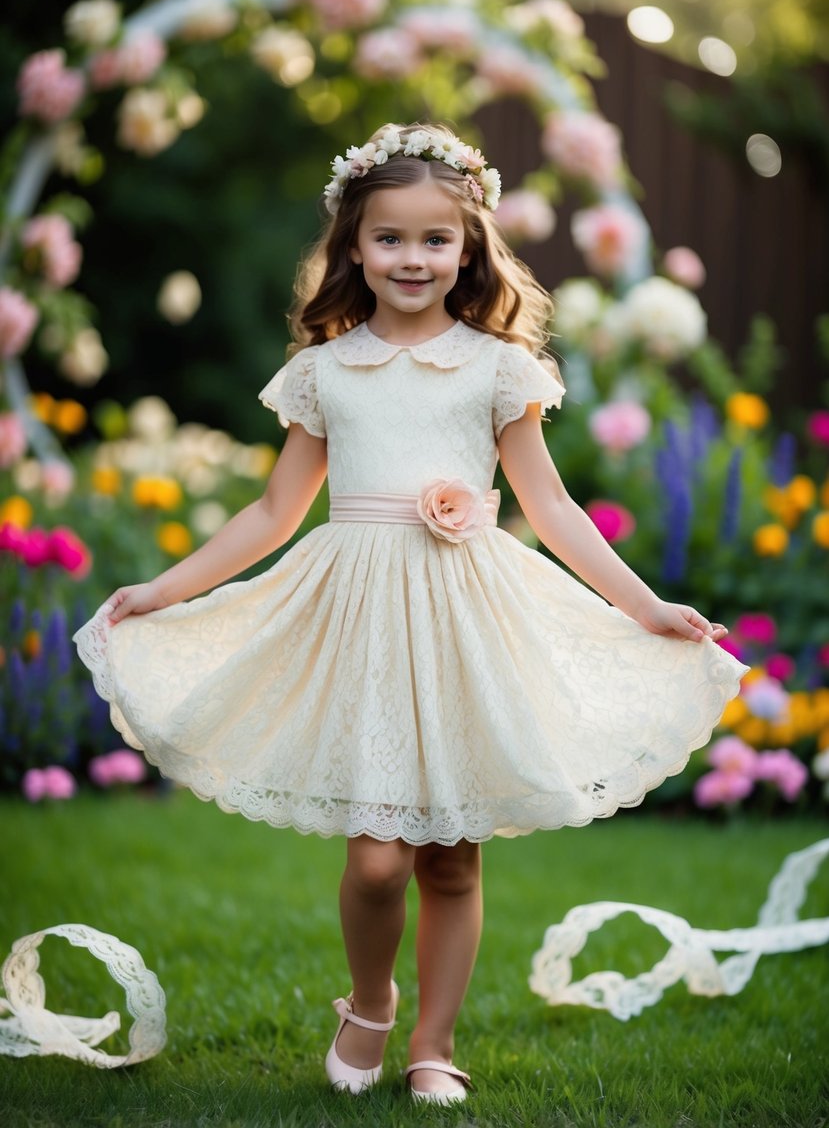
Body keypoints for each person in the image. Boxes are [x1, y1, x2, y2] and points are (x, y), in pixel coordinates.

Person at [73, 122, 748, 1105]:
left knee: (450, 856)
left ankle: (433, 1042)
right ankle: (371, 999)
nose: (413, 258)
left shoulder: (496, 367)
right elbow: (274, 510)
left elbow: (549, 506)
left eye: (436, 239)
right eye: (389, 238)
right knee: (379, 859)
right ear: (352, 245)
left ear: (469, 247)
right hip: (362, 620)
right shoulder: (324, 369)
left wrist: (644, 605)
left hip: (465, 616)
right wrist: (162, 588)